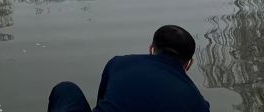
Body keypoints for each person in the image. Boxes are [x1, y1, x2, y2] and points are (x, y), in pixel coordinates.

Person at [47, 25, 210, 112]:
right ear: (189, 64)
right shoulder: (199, 103)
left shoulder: (119, 64)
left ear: (151, 49)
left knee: (66, 89)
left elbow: (103, 100)